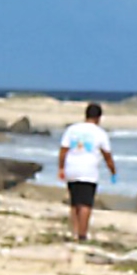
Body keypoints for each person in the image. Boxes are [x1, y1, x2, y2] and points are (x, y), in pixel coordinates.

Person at [57, 102, 116, 241]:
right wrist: (113, 171)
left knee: (75, 202)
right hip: (88, 171)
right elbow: (107, 155)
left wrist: (61, 167)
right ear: (99, 117)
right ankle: (82, 234)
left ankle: (75, 231)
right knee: (86, 204)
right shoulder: (100, 133)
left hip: (71, 168)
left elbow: (63, 150)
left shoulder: (72, 129)